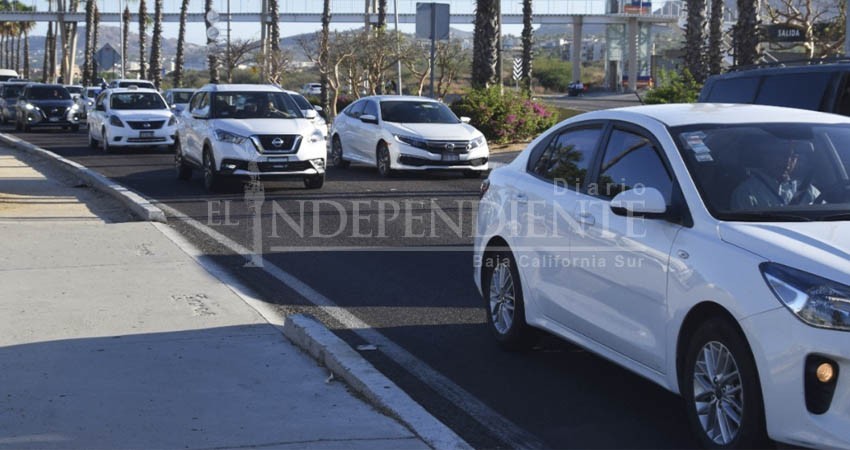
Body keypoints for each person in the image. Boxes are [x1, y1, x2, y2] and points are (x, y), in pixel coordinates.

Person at [730, 141, 818, 209]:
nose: (787, 161)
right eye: (781, 155)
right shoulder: (747, 192)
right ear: (766, 156)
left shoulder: (807, 190)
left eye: (793, 156)